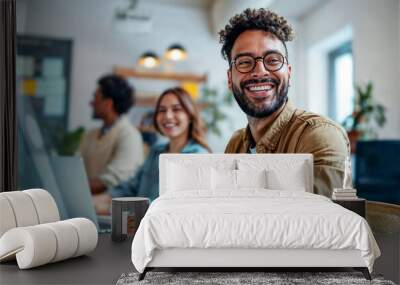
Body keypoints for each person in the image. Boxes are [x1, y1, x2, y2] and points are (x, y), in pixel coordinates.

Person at [219, 8, 350, 197]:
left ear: (288, 72)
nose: (260, 71)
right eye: (245, 62)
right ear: (230, 79)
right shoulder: (235, 144)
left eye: (272, 60)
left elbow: (320, 223)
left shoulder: (319, 135)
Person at [95, 87, 211, 211]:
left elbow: (179, 208)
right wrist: (95, 201)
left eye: (176, 109)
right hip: (139, 225)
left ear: (189, 116)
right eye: (162, 110)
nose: (168, 116)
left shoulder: (198, 157)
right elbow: (130, 188)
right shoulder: (156, 151)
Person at [78, 74, 144, 195]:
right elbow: (75, 168)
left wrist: (74, 187)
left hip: (109, 209)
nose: (91, 103)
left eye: (96, 98)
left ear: (108, 103)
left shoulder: (130, 136)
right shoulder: (90, 135)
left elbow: (113, 181)